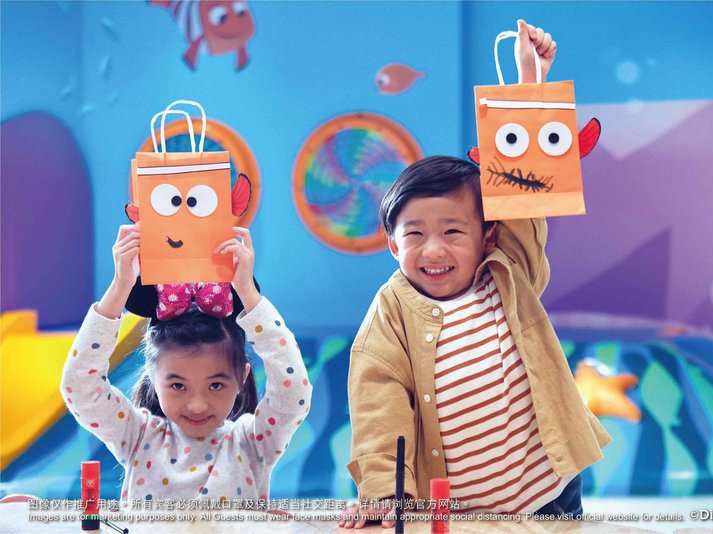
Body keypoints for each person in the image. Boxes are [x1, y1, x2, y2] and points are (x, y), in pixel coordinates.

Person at [341, 19, 610, 529]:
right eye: (415, 234)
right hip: (464, 513)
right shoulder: (391, 314)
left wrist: (528, 82)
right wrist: (383, 494)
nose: (433, 249)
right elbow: (378, 408)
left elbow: (525, 198)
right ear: (392, 244)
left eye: (453, 231)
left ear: (487, 237)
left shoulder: (507, 274)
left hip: (550, 491)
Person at [61, 224, 311, 502]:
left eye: (216, 385)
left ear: (242, 377)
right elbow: (79, 387)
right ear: (152, 377)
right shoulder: (137, 436)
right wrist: (120, 287)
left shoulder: (254, 442)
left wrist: (248, 293)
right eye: (178, 386)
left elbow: (293, 391)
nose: (197, 405)